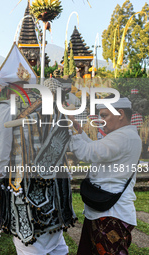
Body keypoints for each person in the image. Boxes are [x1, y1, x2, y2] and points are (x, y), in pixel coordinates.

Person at [0, 44, 76, 255]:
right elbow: (66, 137)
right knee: (56, 242)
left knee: (30, 243)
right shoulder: (49, 101)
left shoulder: (7, 105)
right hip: (54, 183)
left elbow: (1, 153)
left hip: (25, 184)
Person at [68, 96, 142, 254]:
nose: (101, 121)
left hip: (111, 215)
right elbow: (95, 148)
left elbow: (87, 153)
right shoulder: (124, 135)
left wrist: (70, 130)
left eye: (104, 115)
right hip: (106, 210)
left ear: (120, 114)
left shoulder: (123, 137)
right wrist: (78, 130)